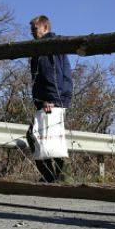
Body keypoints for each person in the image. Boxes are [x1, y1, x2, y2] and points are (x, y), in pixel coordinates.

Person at [28, 15, 73, 183]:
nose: (32, 33)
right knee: (48, 136)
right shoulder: (48, 45)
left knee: (38, 136)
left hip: (52, 100)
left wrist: (50, 100)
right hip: (52, 99)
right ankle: (58, 177)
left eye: (35, 29)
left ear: (45, 27)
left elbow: (52, 73)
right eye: (32, 30)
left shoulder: (48, 46)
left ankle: (58, 177)